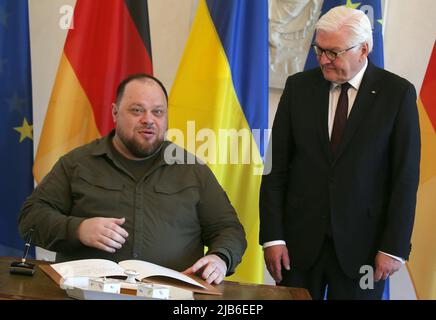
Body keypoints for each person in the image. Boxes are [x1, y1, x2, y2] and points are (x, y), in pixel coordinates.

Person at [19, 73, 247, 285]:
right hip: (87, 293)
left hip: (171, 294)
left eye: (158, 112)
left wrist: (220, 258)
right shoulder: (77, 163)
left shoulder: (192, 170)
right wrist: (78, 229)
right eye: (137, 110)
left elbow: (228, 229)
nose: (148, 120)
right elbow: (31, 218)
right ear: (115, 113)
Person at [259, 6, 420, 299]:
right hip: (298, 245)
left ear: (364, 49)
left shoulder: (397, 94)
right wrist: (272, 237)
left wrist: (394, 247)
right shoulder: (298, 88)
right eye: (319, 49)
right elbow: (275, 168)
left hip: (366, 250)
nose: (322, 60)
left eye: (333, 52)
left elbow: (405, 178)